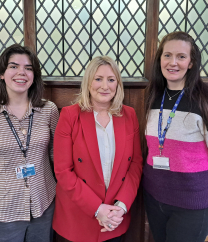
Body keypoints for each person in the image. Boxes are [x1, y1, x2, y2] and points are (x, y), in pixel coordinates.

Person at [142, 31, 208, 242]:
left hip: (191, 204)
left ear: (191, 62)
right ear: (159, 60)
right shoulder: (152, 96)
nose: (173, 62)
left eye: (181, 56)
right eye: (167, 55)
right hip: (154, 197)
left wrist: (202, 191)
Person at [0, 44, 59, 242]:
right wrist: (5, 184)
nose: (22, 72)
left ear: (34, 75)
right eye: (14, 66)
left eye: (28, 68)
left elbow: (55, 153)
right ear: (1, 73)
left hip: (43, 205)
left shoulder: (49, 110)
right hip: (4, 210)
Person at [53, 56, 143, 242]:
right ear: (88, 82)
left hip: (115, 219)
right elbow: (63, 171)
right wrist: (97, 208)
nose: (105, 86)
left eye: (111, 80)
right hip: (76, 219)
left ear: (117, 84)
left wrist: (121, 206)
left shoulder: (129, 115)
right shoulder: (69, 116)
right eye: (98, 79)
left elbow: (135, 164)